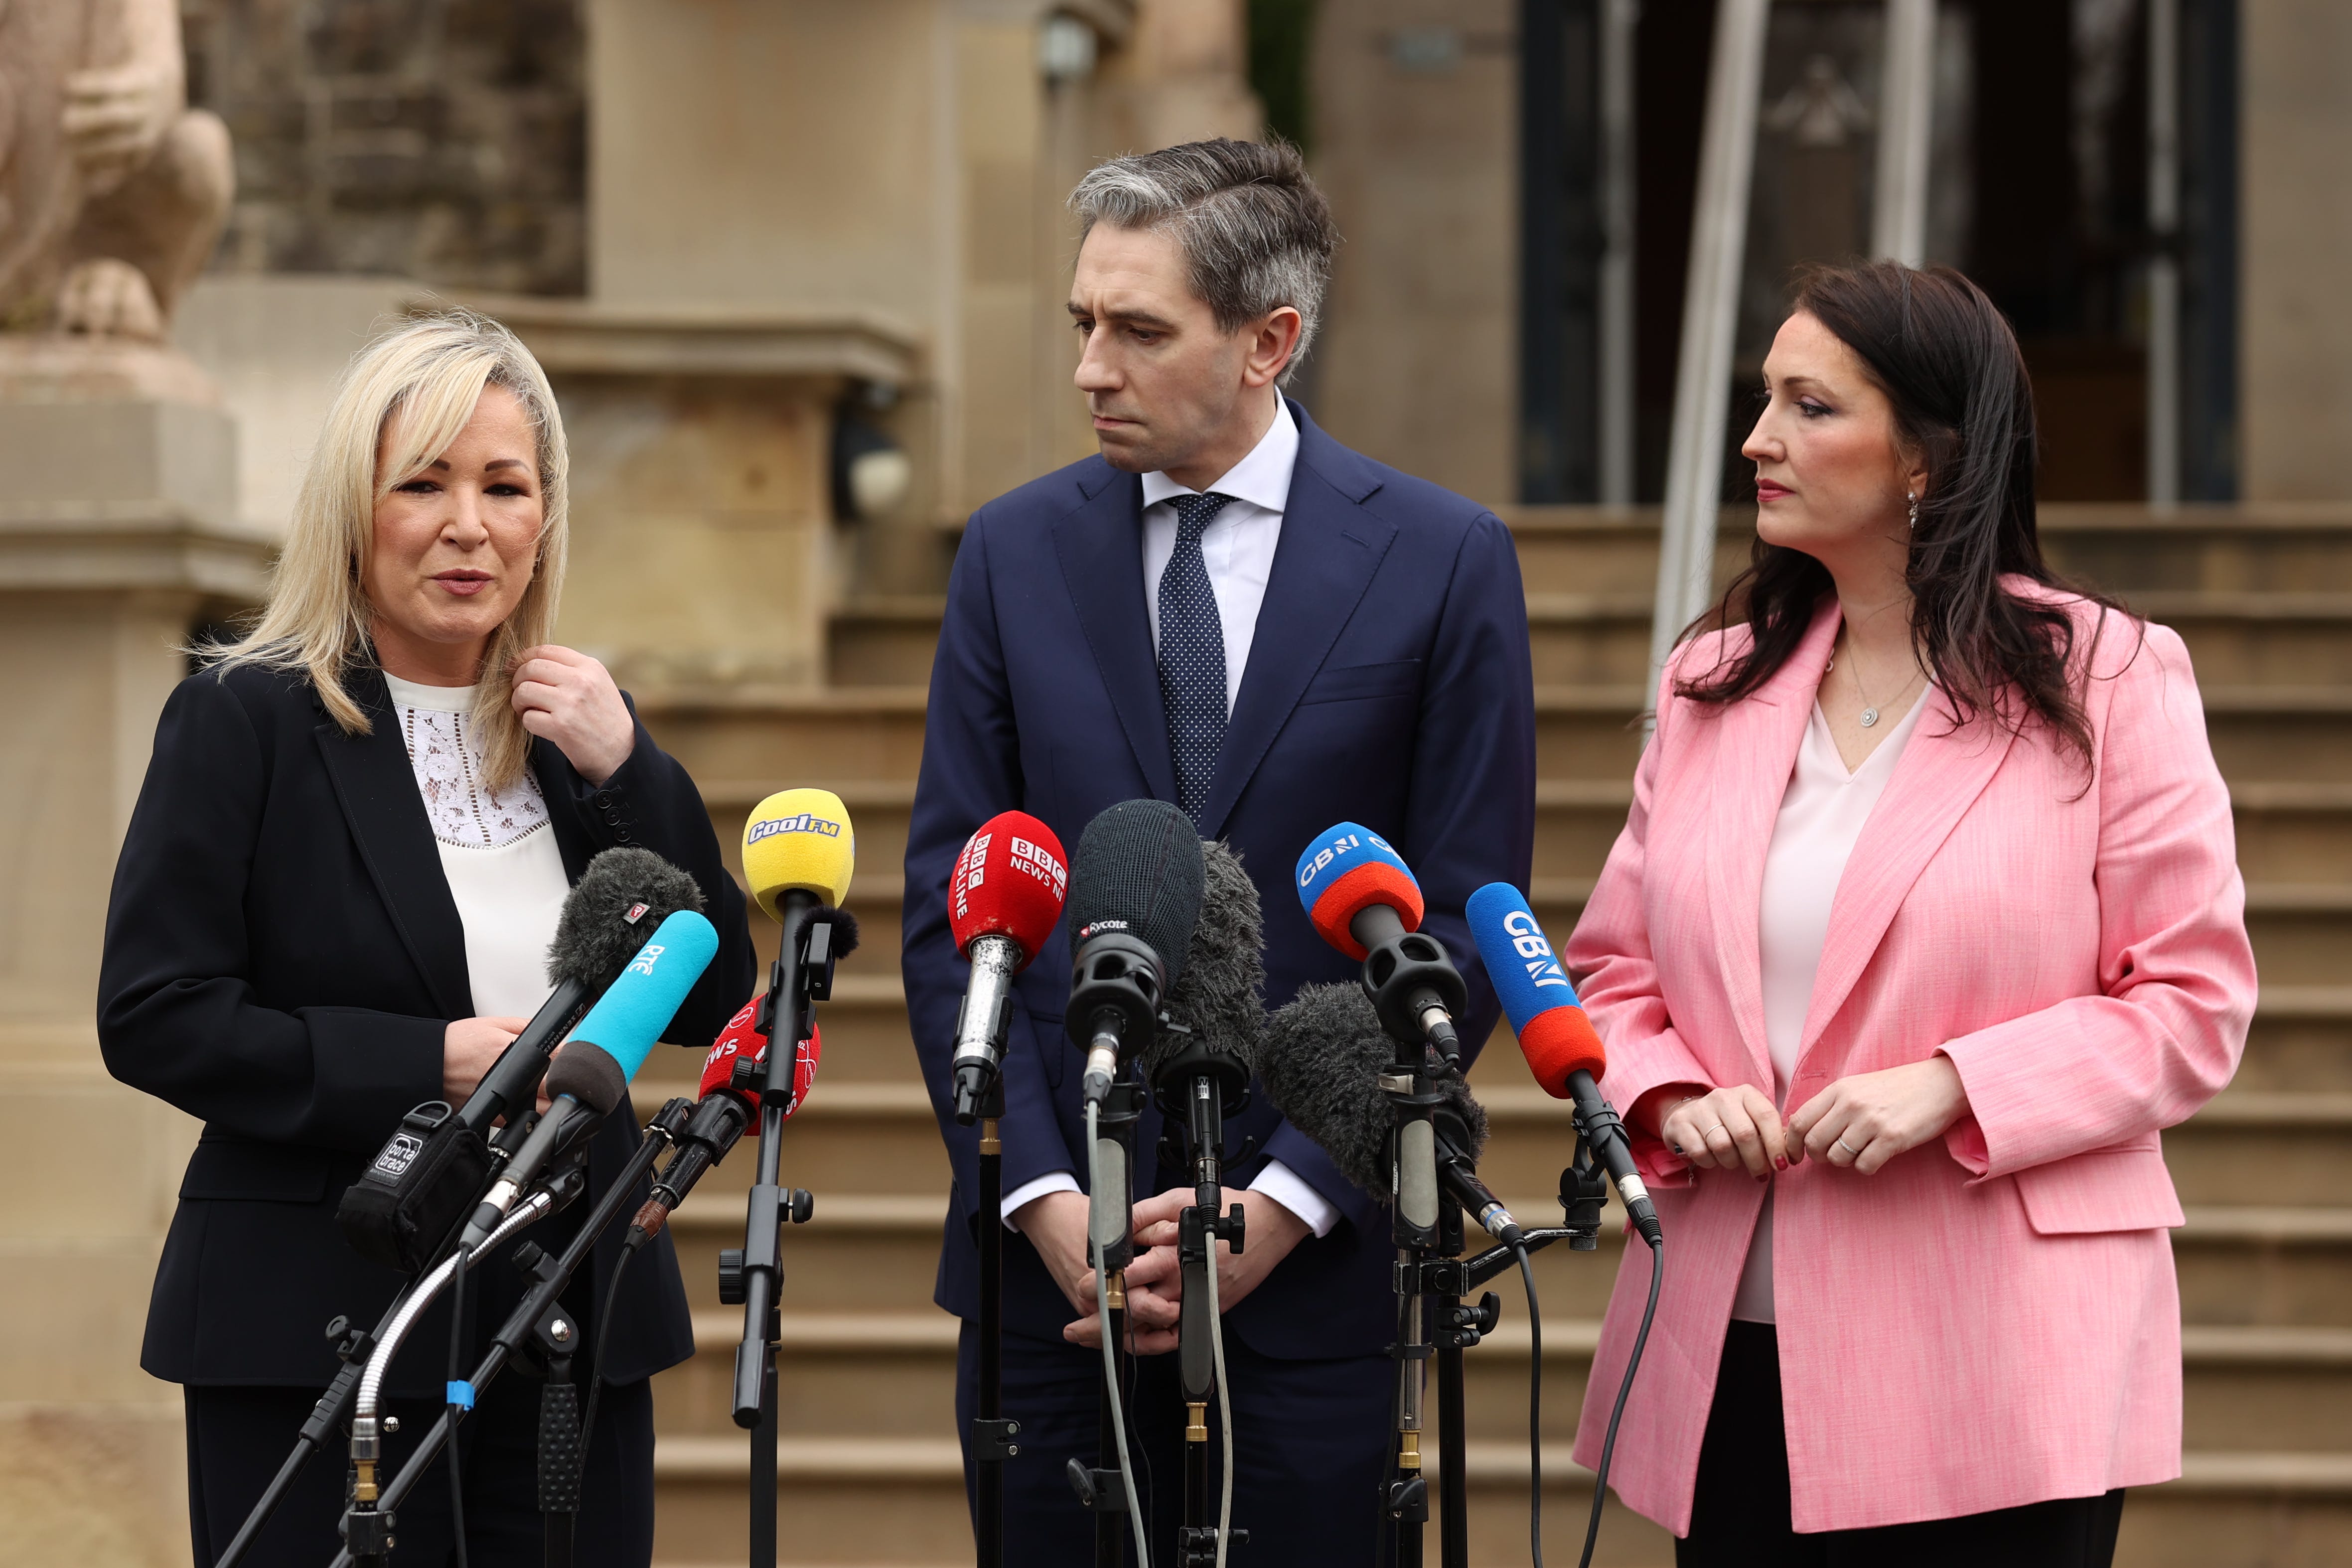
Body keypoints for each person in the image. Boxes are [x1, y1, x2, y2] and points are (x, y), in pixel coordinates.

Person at [901, 138, 1535, 1563]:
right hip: (1052, 1292)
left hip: (1317, 1294)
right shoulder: (1009, 555)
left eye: (1138, 330)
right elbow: (959, 910)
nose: (1091, 369)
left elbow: (1463, 912)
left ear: (1272, 342)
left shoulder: (1441, 559)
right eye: (1082, 323)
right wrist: (1044, 1194)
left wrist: (1293, 1201)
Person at [1565, 261, 2255, 1566]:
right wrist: (1665, 1092)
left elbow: (2191, 1002)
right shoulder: (1714, 681)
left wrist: (1954, 1082)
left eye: (1810, 406)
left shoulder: (2111, 675)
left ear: (1930, 456)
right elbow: (1612, 972)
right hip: (1731, 1347)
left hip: (2002, 1353)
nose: (1758, 438)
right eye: (1762, 398)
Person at [97, 310, 755, 1568]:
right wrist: (430, 1060)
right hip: (313, 1322)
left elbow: (710, 992)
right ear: (355, 510)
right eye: (425, 483)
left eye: (506, 486)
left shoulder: (579, 734)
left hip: (565, 1317)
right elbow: (156, 1010)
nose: (470, 523)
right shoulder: (243, 718)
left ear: (543, 520)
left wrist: (633, 767)